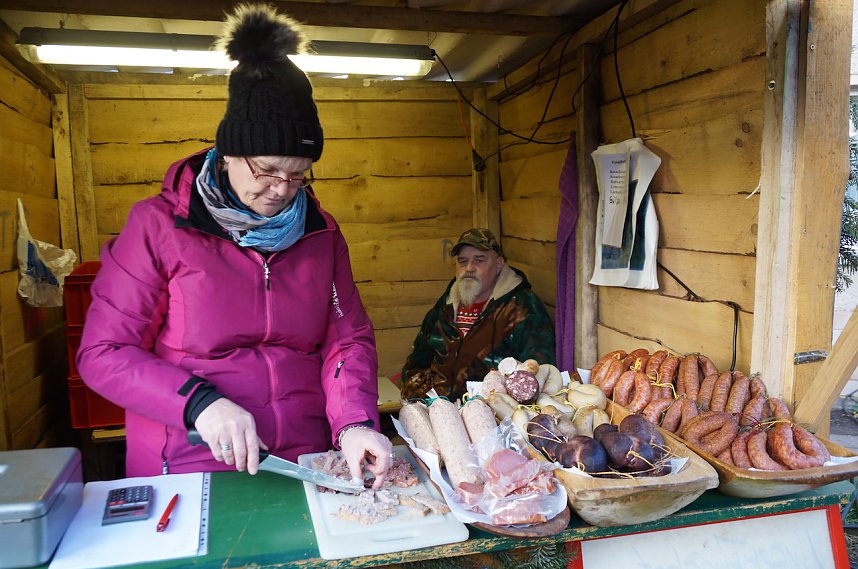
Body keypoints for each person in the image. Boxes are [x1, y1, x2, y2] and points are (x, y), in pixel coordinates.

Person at [77, 4, 392, 487]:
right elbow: (104, 352)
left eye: (298, 174)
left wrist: (353, 423)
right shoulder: (158, 226)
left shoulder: (321, 233)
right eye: (266, 169)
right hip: (190, 460)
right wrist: (197, 402)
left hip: (305, 461)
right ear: (228, 153)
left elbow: (346, 339)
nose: (282, 188)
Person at [399, 228, 556, 400]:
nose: (469, 268)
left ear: (498, 265)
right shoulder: (447, 304)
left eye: (479, 260)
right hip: (438, 409)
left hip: (491, 413)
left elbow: (534, 377)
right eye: (462, 261)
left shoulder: (523, 308)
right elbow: (418, 358)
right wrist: (418, 394)